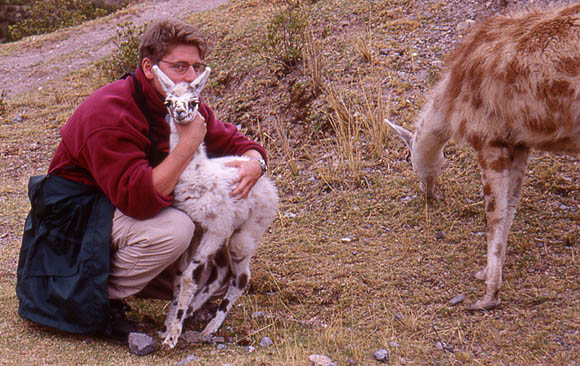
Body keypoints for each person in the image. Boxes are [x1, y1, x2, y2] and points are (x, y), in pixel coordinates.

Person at [16, 18, 268, 345]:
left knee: (212, 271)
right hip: (75, 220)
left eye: (196, 67)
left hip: (117, 214)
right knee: (177, 230)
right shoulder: (109, 112)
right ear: (149, 68)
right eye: (179, 67)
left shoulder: (179, 102)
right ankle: (94, 297)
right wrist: (189, 142)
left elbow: (233, 140)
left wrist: (254, 162)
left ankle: (135, 286)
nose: (190, 77)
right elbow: (139, 199)